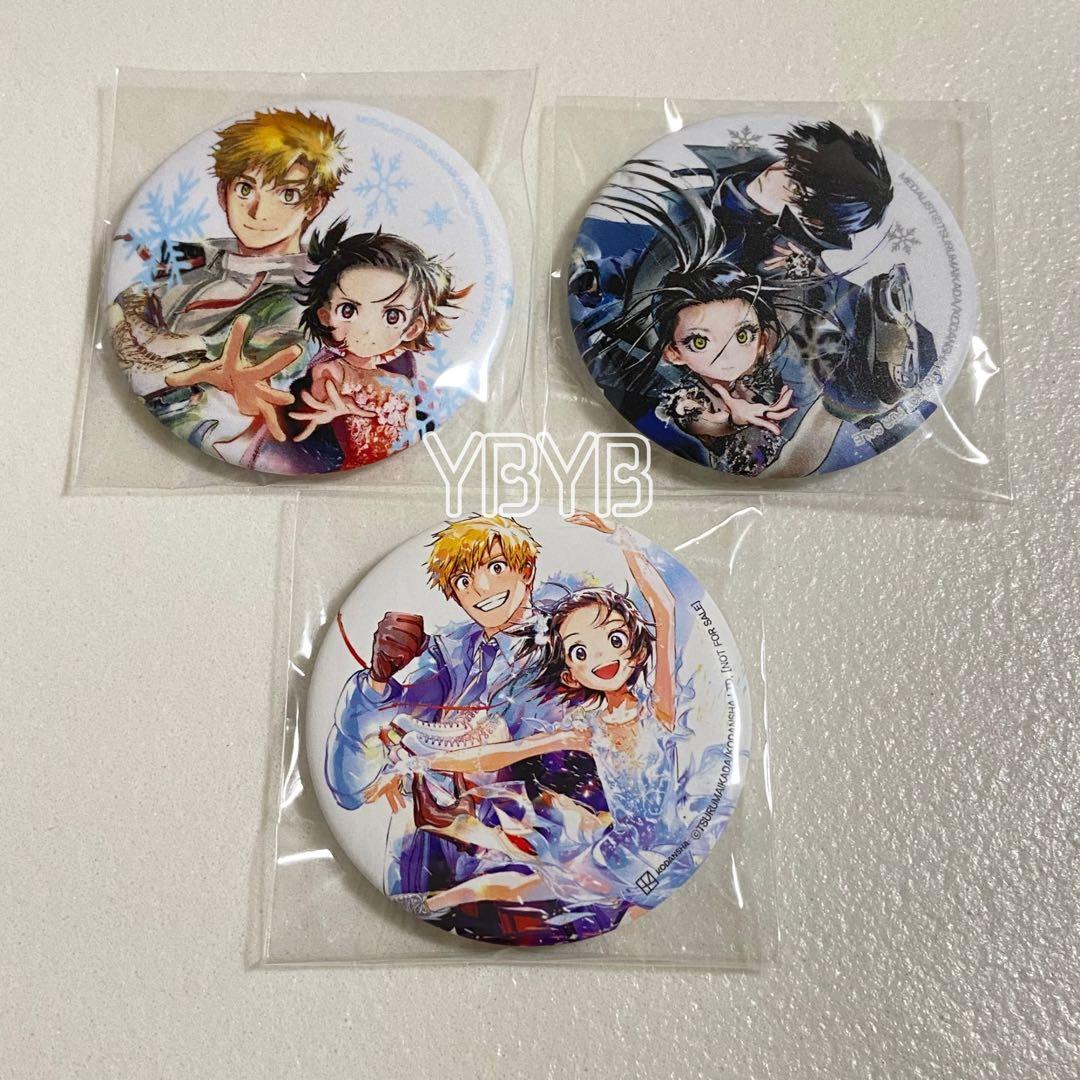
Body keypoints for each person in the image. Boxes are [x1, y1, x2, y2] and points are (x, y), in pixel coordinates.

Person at [109, 108, 350, 463]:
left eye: (287, 194)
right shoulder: (192, 254)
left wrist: (160, 354)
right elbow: (119, 309)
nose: (258, 211)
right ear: (223, 193)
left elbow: (256, 376)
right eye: (245, 188)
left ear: (314, 205)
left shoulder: (310, 295)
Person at [278, 220, 470, 471]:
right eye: (348, 310)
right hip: (349, 477)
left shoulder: (402, 384)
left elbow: (412, 436)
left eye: (392, 315)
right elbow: (310, 408)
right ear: (325, 316)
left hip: (403, 471)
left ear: (412, 328)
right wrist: (335, 411)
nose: (367, 329)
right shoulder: (332, 373)